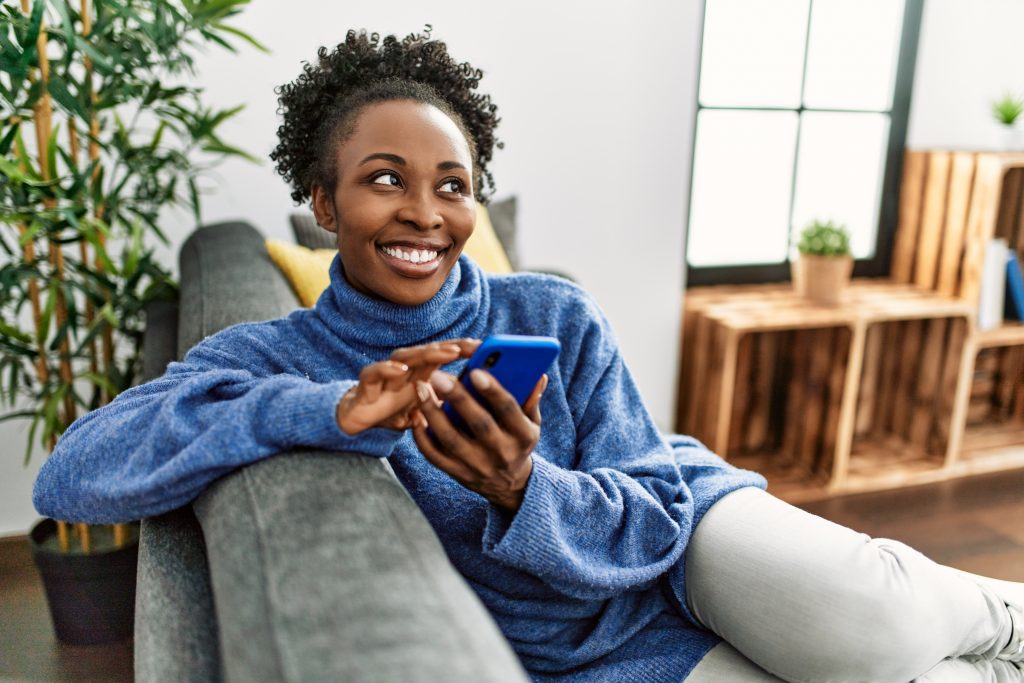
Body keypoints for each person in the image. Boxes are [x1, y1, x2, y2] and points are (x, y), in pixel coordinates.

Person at [33, 29, 1023, 683]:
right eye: (386, 179)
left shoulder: (546, 310)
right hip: (605, 653)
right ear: (324, 203)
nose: (425, 210)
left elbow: (652, 521)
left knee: (878, 618)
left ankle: (1003, 611)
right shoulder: (280, 356)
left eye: (452, 183)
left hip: (684, 532)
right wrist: (318, 409)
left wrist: (523, 485)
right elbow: (77, 473)